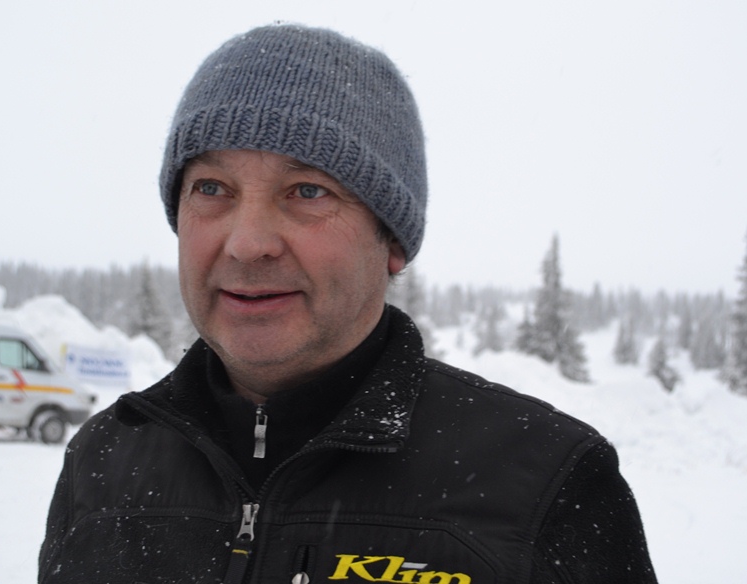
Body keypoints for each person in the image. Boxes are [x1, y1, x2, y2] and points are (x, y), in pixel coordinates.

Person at [39, 24, 658, 584]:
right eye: (211, 187)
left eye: (307, 191)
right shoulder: (104, 464)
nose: (248, 243)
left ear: (392, 240)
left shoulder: (542, 483)